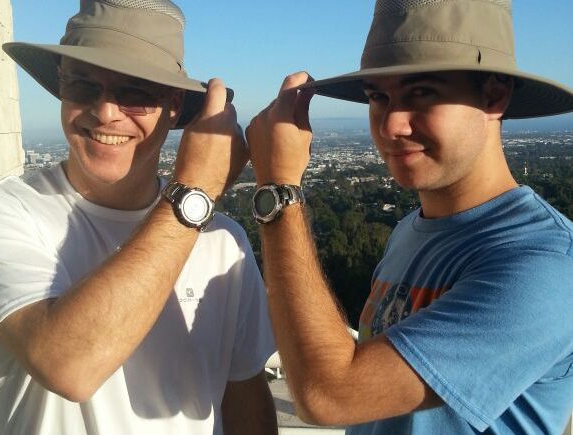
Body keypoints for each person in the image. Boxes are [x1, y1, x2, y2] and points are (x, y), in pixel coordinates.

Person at [244, 0, 573, 434]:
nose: (390, 126)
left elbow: (330, 394)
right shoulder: (409, 231)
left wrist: (278, 188)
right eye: (378, 97)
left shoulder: (546, 266)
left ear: (494, 95)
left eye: (422, 92)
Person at [0, 1, 277, 434]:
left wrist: (195, 199)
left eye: (135, 92)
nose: (106, 112)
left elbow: (243, 395)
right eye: (83, 85)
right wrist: (196, 192)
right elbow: (68, 366)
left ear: (173, 106)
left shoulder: (223, 242)